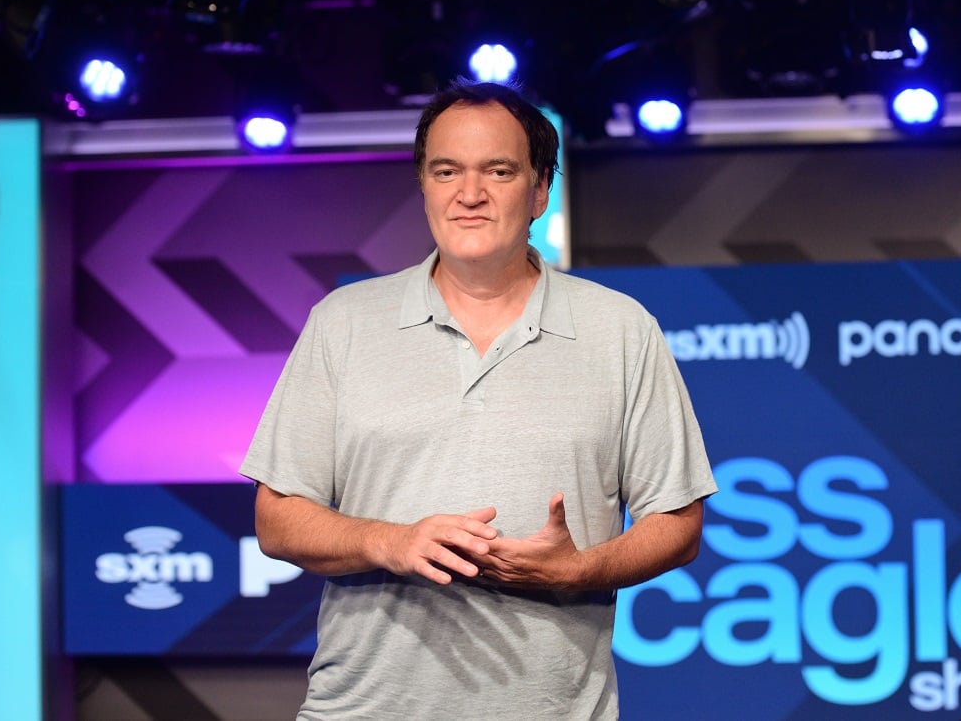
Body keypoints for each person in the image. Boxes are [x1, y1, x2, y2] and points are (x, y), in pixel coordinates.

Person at [240, 77, 717, 720]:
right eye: (446, 171)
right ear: (425, 187)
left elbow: (677, 524)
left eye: (498, 170)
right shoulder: (344, 322)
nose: (470, 194)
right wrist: (391, 541)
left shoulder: (621, 328)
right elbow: (277, 517)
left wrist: (578, 570)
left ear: (540, 190)